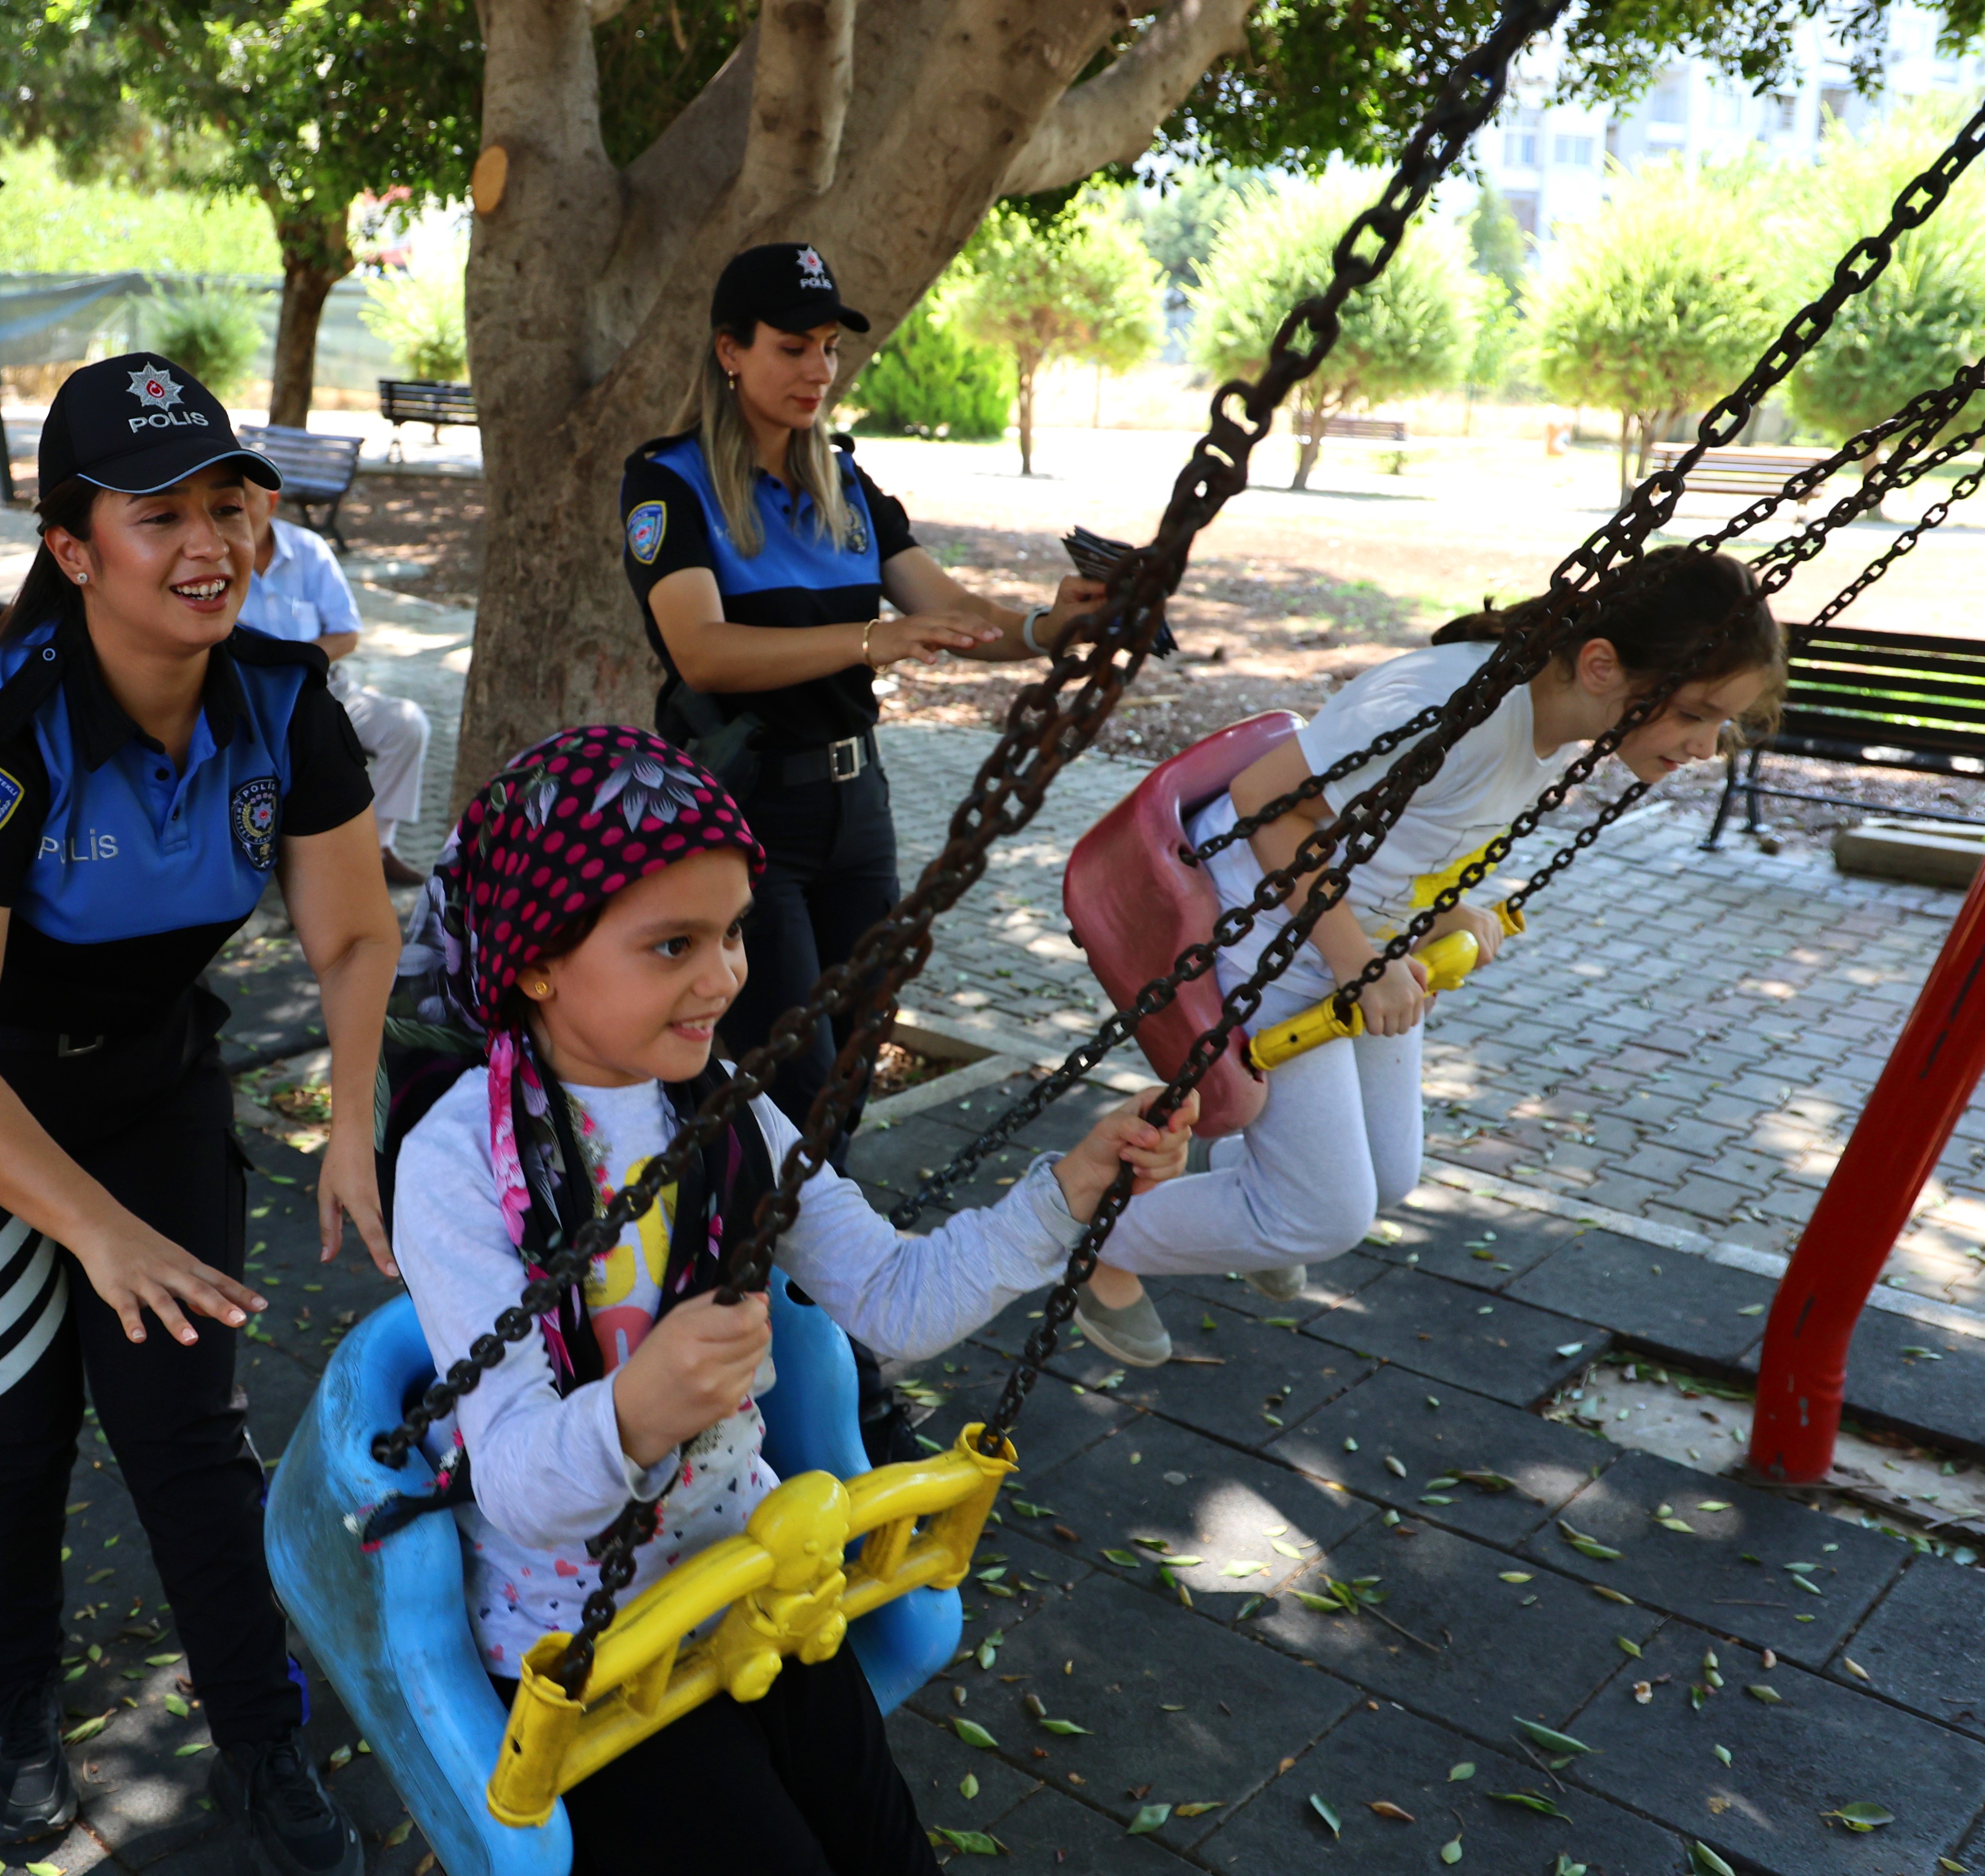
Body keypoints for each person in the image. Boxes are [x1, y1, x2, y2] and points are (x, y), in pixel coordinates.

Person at [389, 724, 1194, 1876]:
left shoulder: (728, 1109)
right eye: (673, 943)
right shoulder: (463, 1156)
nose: (722, 975)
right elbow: (516, 1479)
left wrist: (1067, 1189)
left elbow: (892, 1295)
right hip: (588, 1639)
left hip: (752, 1575)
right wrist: (637, 1408)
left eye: (729, 933)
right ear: (536, 956)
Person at [0, 355, 400, 1876]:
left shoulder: (288, 705)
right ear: (75, 549)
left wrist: (352, 1115)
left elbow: (352, 934)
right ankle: (8, 1706)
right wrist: (96, 1231)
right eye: (160, 513)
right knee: (19, 1423)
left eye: (231, 501)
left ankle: (263, 1732)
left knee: (187, 1429)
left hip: (144, 1073)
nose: (211, 538)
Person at [623, 241, 1106, 1463]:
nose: (817, 368)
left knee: (837, 1095)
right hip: (742, 826)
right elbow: (705, 655)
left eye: (830, 346)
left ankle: (791, 1337)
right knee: (797, 1088)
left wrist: (1055, 623)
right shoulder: (669, 482)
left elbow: (948, 613)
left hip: (855, 812)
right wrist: (872, 639)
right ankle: (821, 1363)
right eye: (791, 346)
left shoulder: (846, 480)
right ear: (730, 351)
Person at [1070, 546, 1788, 1367]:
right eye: (1694, 714)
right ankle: (1091, 1236)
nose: (1705, 746)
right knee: (1323, 1217)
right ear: (1598, 664)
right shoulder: (1455, 704)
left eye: (1720, 723)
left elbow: (1404, 834)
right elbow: (1266, 809)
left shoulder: (1557, 716)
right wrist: (1360, 966)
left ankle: (1259, 1190)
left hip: (1344, 935)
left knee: (1385, 1178)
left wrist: (1449, 905)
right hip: (1255, 930)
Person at [235, 480, 437, 887]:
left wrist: (294, 665)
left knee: (408, 725)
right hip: (247, 703)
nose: (235, 512)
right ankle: (277, 863)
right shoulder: (212, 556)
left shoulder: (308, 549)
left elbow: (346, 634)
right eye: (224, 505)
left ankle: (376, 848)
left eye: (244, 501)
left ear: (271, 503)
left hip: (326, 691)